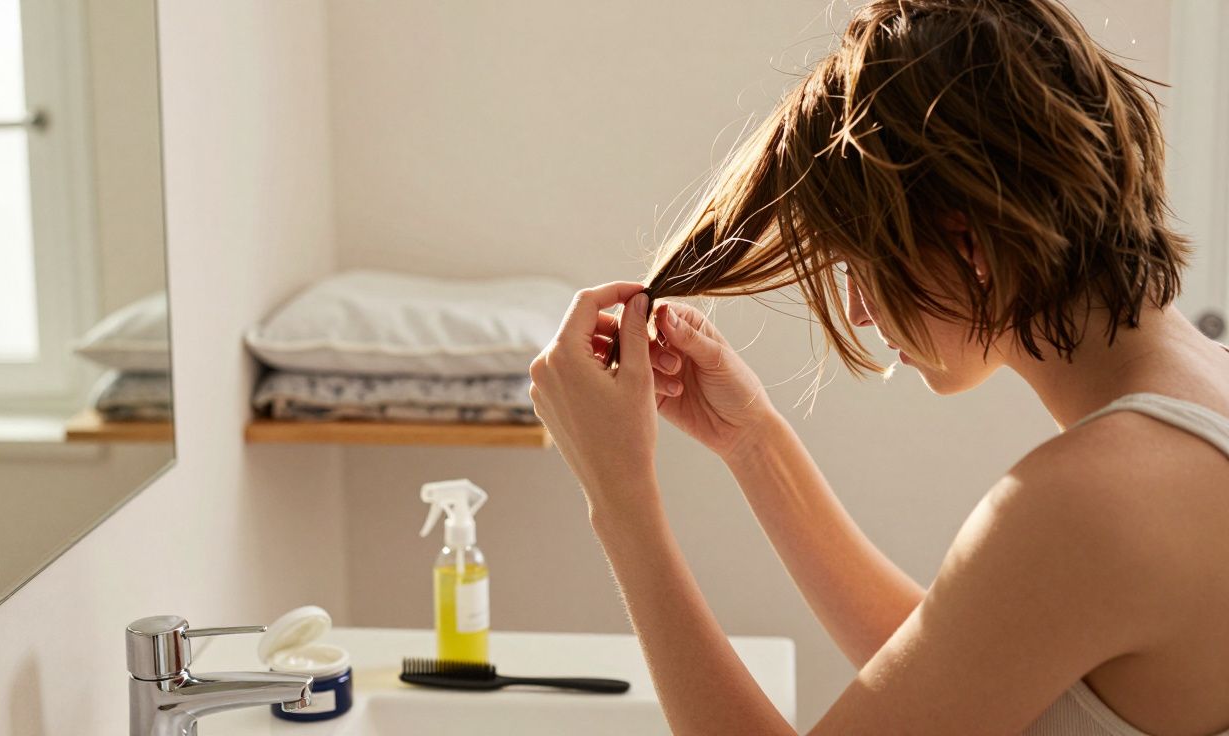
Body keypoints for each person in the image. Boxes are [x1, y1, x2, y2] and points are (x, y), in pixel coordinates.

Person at [526, 1, 1229, 734]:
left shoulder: (1087, 501)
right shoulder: (1197, 415)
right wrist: (753, 443)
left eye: (859, 264)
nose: (860, 310)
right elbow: (963, 674)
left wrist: (621, 500)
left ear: (969, 247)